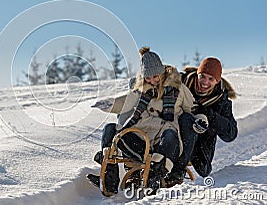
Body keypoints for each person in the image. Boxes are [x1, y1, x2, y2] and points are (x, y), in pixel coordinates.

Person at [87, 47, 194, 195]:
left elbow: (192, 109)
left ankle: (155, 175)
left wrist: (201, 120)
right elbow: (125, 102)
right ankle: (109, 177)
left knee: (170, 134)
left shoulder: (178, 88)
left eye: (155, 76)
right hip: (141, 140)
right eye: (148, 78)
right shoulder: (140, 89)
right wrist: (109, 104)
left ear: (162, 71)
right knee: (110, 128)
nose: (152, 81)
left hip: (163, 141)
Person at [163, 57, 237, 187]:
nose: (205, 82)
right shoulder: (181, 83)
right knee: (185, 118)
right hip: (173, 132)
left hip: (199, 144)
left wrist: (210, 114)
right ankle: (173, 171)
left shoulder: (220, 99)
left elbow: (231, 134)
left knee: (189, 121)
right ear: (198, 73)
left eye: (211, 79)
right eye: (202, 76)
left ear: (217, 81)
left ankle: (178, 169)